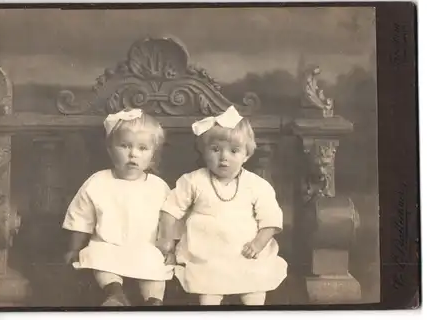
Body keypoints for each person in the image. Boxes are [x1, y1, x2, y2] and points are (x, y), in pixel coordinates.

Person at [157, 105, 287, 306]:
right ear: (203, 151)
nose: (224, 157)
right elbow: (171, 209)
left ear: (247, 154)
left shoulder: (256, 185)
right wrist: (166, 240)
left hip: (244, 251)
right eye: (216, 149)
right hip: (206, 253)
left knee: (254, 288)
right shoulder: (193, 181)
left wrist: (258, 244)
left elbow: (270, 219)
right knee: (208, 291)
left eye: (234, 151)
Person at [62, 108, 173, 306]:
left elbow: (169, 220)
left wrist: (170, 247)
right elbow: (81, 218)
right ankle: (115, 293)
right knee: (98, 256)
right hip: (108, 244)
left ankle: (154, 301)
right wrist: (74, 247)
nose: (133, 154)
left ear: (153, 155)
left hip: (145, 246)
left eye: (142, 148)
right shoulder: (97, 182)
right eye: (125, 146)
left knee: (156, 266)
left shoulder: (159, 186)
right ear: (110, 149)